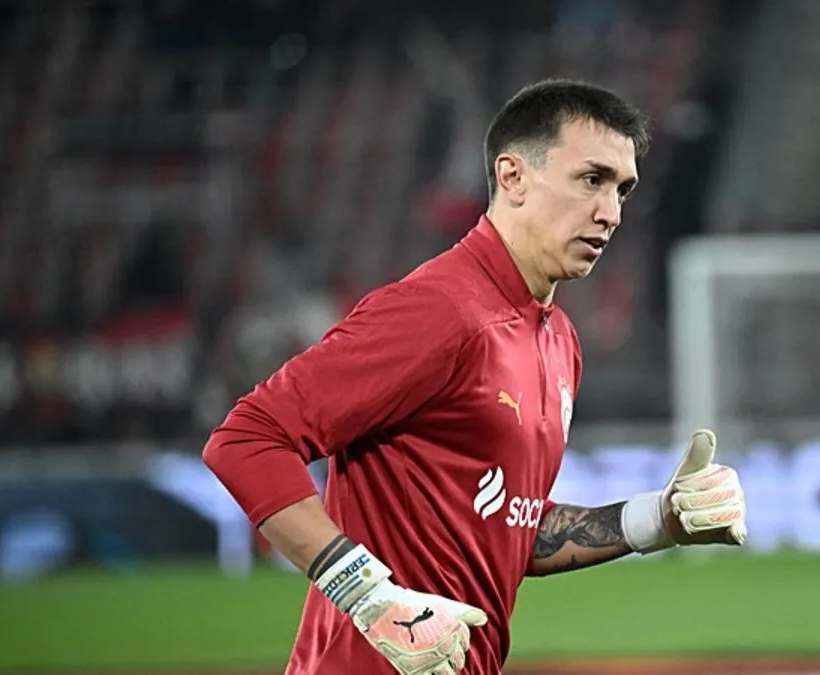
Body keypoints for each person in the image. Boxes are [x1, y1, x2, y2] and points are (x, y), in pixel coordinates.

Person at [202, 78, 748, 675]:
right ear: (512, 177)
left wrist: (658, 519)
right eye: (591, 180)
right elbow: (247, 438)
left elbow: (509, 526)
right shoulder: (438, 310)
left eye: (623, 189)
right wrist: (367, 595)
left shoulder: (558, 340)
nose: (611, 213)